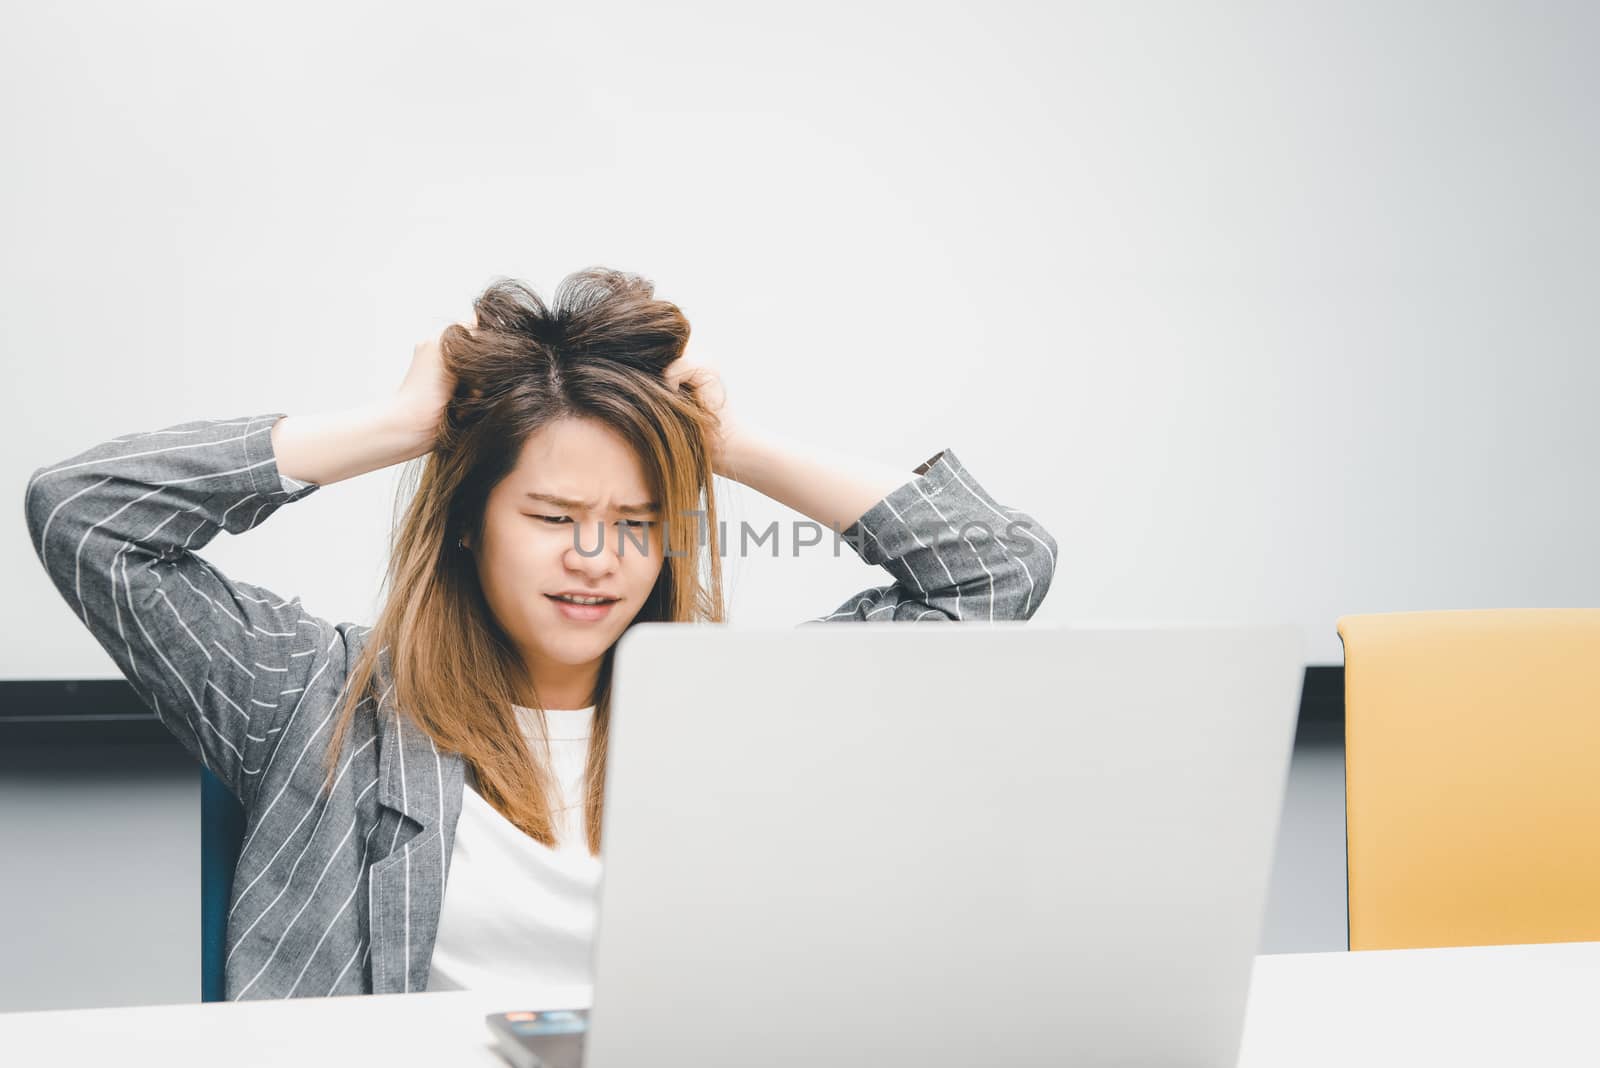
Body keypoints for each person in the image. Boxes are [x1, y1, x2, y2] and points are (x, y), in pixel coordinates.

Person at [22, 267, 1059, 1001]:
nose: (597, 558)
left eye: (639, 523)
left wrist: (729, 449)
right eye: (556, 519)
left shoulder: (742, 714)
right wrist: (402, 428)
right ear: (472, 524)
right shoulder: (312, 698)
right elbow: (88, 515)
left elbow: (992, 573)